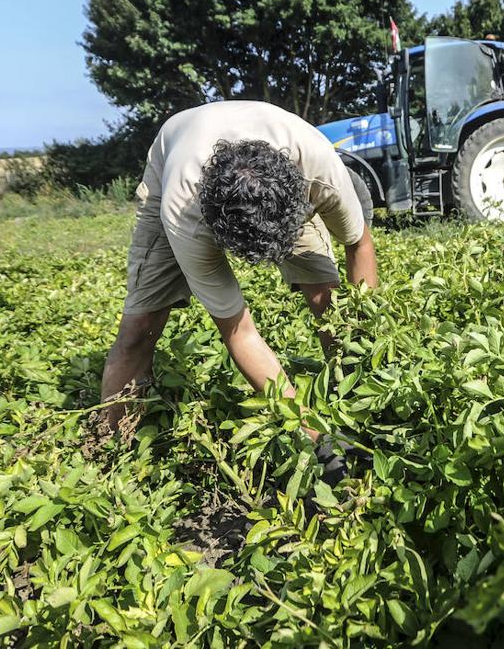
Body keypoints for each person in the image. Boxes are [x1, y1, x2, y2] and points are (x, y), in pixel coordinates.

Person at [100, 100, 378, 451]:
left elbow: (360, 244)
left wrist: (363, 347)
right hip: (177, 168)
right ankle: (109, 441)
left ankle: (351, 388)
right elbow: (239, 332)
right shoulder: (183, 210)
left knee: (327, 296)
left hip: (283, 175)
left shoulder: (320, 169)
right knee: (140, 328)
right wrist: (311, 432)